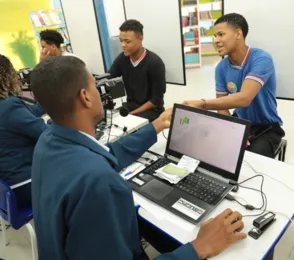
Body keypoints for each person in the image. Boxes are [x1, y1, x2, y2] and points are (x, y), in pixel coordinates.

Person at [31, 56, 246, 260]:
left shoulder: (48, 141)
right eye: (95, 86)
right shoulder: (98, 181)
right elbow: (99, 169)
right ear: (85, 97)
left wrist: (156, 125)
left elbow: (106, 155)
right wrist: (199, 248)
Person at [183, 13, 285, 158]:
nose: (216, 40)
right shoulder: (221, 67)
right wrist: (234, 131)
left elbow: (244, 99)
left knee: (251, 160)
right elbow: (222, 107)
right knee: (210, 150)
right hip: (239, 122)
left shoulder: (261, 59)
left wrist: (202, 104)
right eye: (214, 36)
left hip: (267, 127)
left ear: (238, 33)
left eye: (221, 34)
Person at [0, 54, 47, 207]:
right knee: (82, 175)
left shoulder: (6, 107)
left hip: (7, 188)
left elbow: (27, 114)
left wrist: (52, 100)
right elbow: (45, 133)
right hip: (26, 184)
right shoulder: (9, 106)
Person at [109, 19, 166, 122]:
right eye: (121, 41)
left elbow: (156, 100)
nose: (123, 45)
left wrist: (131, 114)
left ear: (140, 38)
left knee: (129, 128)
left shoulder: (155, 63)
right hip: (131, 106)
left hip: (152, 110)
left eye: (127, 41)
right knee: (111, 122)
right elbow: (109, 76)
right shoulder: (122, 58)